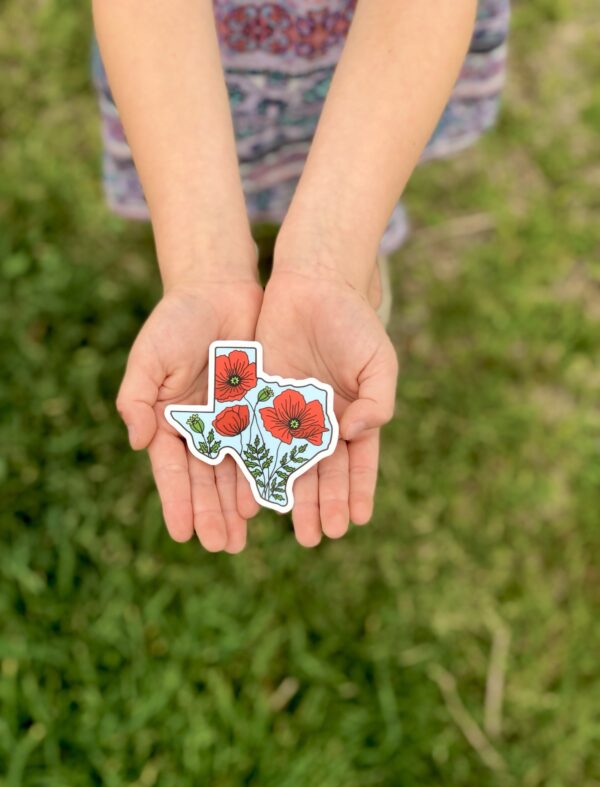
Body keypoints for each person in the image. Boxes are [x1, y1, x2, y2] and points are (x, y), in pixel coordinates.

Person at [91, 0, 510, 553]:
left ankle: (347, 258)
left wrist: (334, 256)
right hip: (189, 61)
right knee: (215, 165)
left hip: (376, 52)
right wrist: (200, 260)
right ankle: (266, 261)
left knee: (353, 176)